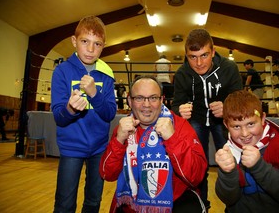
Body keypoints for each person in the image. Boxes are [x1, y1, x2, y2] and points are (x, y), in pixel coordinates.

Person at [100, 75, 207, 212]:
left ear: (162, 100)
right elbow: (106, 174)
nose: (146, 105)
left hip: (175, 201)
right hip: (132, 203)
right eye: (139, 98)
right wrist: (119, 140)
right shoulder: (123, 128)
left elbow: (196, 177)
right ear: (129, 101)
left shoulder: (179, 126)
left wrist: (172, 138)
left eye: (153, 98)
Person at [171, 28, 243, 210]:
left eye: (204, 55)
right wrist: (179, 110)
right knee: (196, 165)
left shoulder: (229, 68)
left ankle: (234, 205)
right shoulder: (182, 74)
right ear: (186, 56)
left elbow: (242, 102)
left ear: (213, 51)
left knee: (231, 162)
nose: (199, 63)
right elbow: (175, 105)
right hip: (197, 119)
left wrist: (227, 108)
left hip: (224, 121)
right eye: (192, 57)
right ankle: (201, 204)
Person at [51, 15, 117, 213]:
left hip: (99, 148)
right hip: (71, 148)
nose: (90, 49)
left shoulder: (106, 75)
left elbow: (109, 114)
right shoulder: (62, 71)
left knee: (93, 201)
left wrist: (94, 94)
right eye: (85, 41)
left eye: (97, 44)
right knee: (64, 204)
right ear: (74, 41)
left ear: (103, 46)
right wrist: (70, 109)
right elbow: (59, 118)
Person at [215, 90, 279, 212]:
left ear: (263, 118)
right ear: (226, 125)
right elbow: (228, 199)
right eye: (236, 126)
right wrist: (227, 173)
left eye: (251, 124)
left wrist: (259, 166)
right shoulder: (228, 152)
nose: (245, 134)